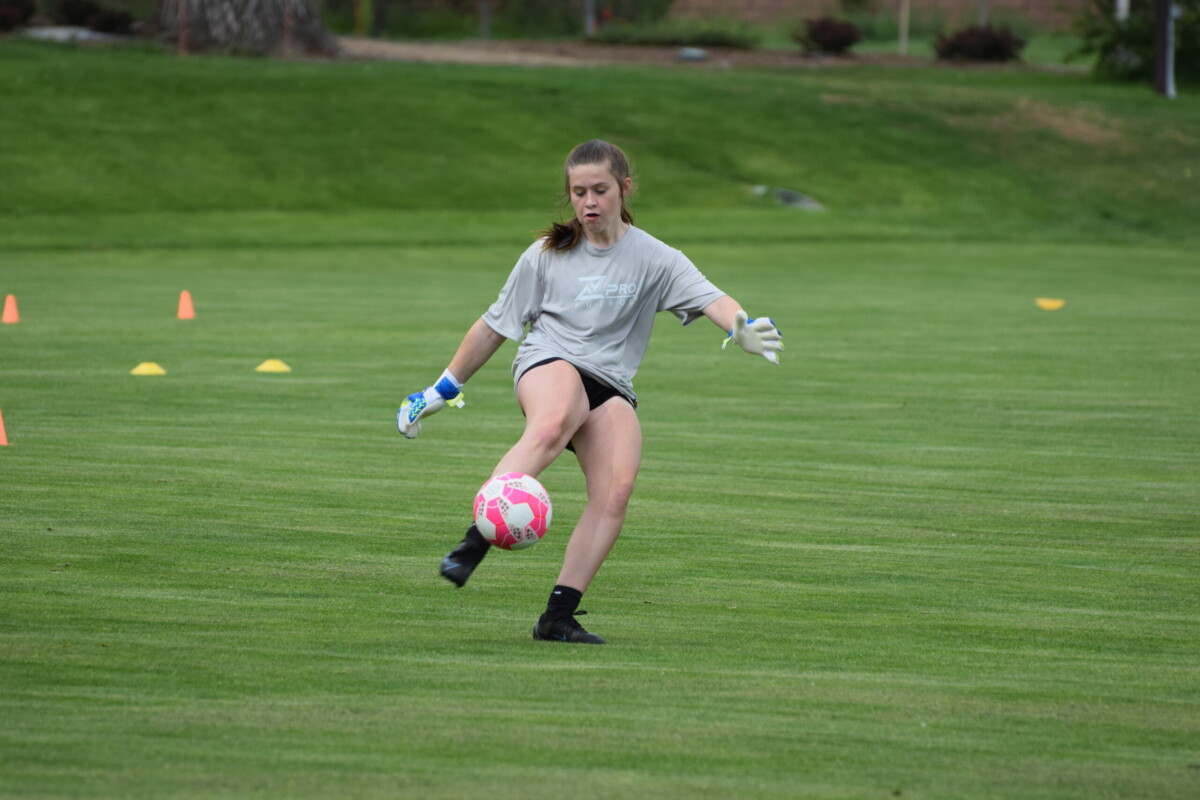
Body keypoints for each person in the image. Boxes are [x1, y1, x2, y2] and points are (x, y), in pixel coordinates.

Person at [398, 139, 782, 645]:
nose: (589, 202)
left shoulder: (656, 258)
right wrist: (442, 388)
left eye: (600, 190)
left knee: (616, 489)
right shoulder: (544, 256)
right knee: (556, 418)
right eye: (578, 192)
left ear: (624, 189)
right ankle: (477, 538)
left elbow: (711, 297)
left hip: (611, 384)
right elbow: (494, 326)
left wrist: (740, 325)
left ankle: (557, 617)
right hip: (548, 362)